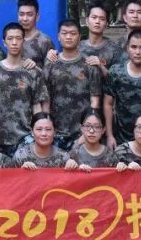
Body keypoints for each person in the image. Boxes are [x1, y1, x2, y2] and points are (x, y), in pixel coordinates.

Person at [0, 22, 48, 156]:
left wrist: (40, 131)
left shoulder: (34, 72)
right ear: (4, 42)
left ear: (23, 41)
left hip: (25, 138)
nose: (14, 43)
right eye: (10, 39)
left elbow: (37, 107)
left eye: (18, 38)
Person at [43, 19, 102, 150]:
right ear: (58, 37)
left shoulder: (89, 64)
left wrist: (88, 130)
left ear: (79, 37)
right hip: (56, 132)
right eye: (64, 33)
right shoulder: (50, 64)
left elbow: (95, 102)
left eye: (73, 33)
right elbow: (46, 99)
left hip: (82, 134)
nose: (68, 37)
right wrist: (47, 127)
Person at [10, 113, 74, 170]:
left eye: (48, 129)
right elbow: (11, 177)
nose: (44, 134)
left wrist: (72, 167)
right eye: (39, 129)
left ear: (54, 132)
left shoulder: (63, 157)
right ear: (32, 132)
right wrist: (22, 171)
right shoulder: (21, 156)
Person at [80, 3, 122, 73]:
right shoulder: (77, 47)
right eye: (94, 17)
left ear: (106, 25)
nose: (97, 22)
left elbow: (118, 77)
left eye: (102, 19)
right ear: (87, 21)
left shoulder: (114, 50)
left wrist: (100, 65)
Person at [17, 0, 54, 68]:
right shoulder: (13, 39)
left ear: (37, 17)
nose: (25, 19)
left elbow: (51, 70)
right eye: (21, 14)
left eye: (29, 14)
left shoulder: (45, 41)